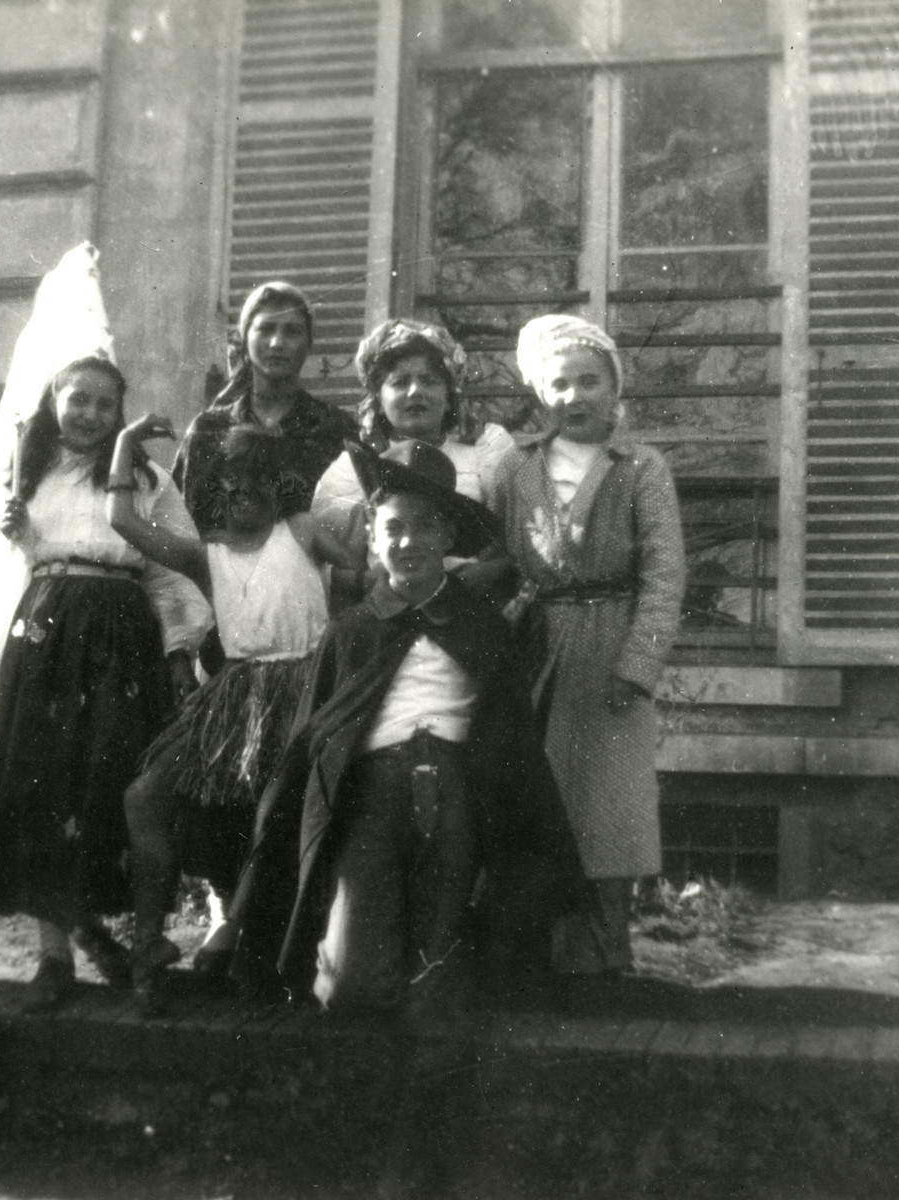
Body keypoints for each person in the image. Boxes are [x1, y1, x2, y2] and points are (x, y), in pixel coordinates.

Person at [231, 440, 585, 1011]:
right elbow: (315, 740)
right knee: (353, 989)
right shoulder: (351, 631)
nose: (408, 542)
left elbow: (509, 738)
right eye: (394, 528)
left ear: (448, 539)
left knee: (434, 985)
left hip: (455, 796)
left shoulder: (483, 627)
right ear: (371, 535)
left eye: (425, 528)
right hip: (370, 798)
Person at [0, 356, 211, 1012]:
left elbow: (169, 572)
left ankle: (140, 947)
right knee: (40, 784)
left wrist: (177, 648)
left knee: (115, 786)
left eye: (105, 405)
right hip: (46, 636)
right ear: (56, 403)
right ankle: (54, 955)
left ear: (120, 414)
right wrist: (12, 523)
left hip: (118, 638)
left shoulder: (145, 480)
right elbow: (19, 559)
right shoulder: (32, 476)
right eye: (78, 400)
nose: (89, 415)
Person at [106, 421, 356, 1013]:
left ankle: (258, 950)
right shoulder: (205, 553)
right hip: (235, 698)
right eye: (233, 484)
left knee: (275, 819)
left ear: (281, 486)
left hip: (306, 694)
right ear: (216, 489)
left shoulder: (301, 532)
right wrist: (124, 446)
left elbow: (371, 577)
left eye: (260, 483)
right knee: (146, 797)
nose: (246, 495)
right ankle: (147, 947)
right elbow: (124, 522)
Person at [485, 313, 687, 976]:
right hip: (540, 646)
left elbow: (664, 573)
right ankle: (542, 952)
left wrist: (639, 664)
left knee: (610, 807)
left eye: (588, 381)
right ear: (540, 395)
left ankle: (606, 951)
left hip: (611, 644)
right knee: (545, 799)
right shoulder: (515, 468)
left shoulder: (641, 468)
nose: (574, 397)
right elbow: (496, 561)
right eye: (559, 384)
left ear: (613, 388)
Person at [310, 318, 514, 603]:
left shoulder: (484, 451)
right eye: (399, 382)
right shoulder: (356, 466)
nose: (415, 391)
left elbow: (510, 542)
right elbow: (337, 563)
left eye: (429, 380)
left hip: (469, 605)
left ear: (449, 394)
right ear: (378, 398)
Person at [172, 281, 355, 541]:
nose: (277, 343)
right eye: (265, 329)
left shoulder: (335, 429)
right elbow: (182, 524)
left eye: (292, 332)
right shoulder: (209, 429)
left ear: (309, 343)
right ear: (244, 339)